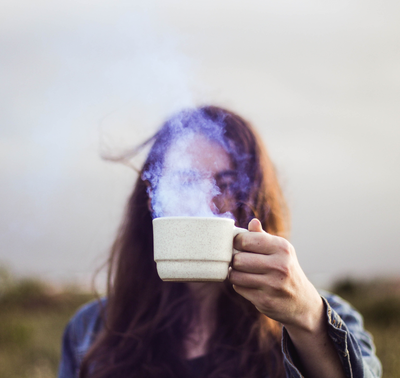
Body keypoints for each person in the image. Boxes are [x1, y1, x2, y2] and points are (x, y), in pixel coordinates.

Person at [58, 106, 382, 378]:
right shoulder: (89, 330)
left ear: (253, 197)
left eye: (227, 183)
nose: (210, 200)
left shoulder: (325, 317)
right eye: (186, 180)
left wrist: (307, 318)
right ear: (151, 197)